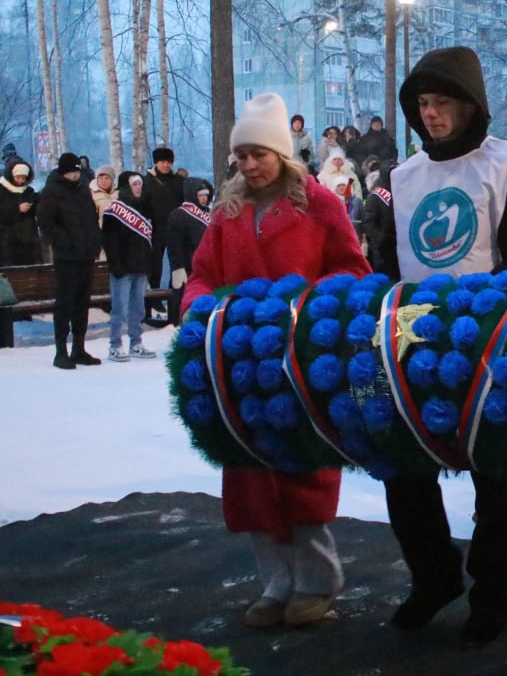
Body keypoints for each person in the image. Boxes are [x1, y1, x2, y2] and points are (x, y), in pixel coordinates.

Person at [369, 46, 507, 647]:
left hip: (489, 347)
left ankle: (493, 592)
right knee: (404, 469)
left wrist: (487, 321)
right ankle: (435, 576)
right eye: (421, 104)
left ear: (470, 105)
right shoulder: (401, 178)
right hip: (416, 345)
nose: (431, 114)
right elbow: (389, 259)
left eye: (441, 101)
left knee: (495, 483)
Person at [184, 92, 371, 628]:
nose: (248, 165)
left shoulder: (320, 205)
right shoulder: (227, 211)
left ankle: (317, 580)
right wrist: (200, 307)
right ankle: (275, 581)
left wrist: (304, 307)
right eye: (240, 156)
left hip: (298, 364)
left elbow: (352, 270)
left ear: (282, 154)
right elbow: (201, 273)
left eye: (258, 154)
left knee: (300, 470)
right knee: (248, 474)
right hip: (240, 363)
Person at [37, 153, 104, 370]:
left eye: (77, 171)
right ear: (64, 172)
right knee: (65, 303)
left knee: (82, 302)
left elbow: (91, 218)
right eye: (72, 172)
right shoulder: (52, 191)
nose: (75, 175)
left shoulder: (83, 188)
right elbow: (46, 223)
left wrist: (95, 241)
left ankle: (79, 348)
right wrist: (63, 242)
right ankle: (60, 351)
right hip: (66, 257)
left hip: (85, 254)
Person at [101, 172, 156, 362]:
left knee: (138, 309)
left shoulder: (143, 208)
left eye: (140, 184)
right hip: (122, 269)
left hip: (140, 267)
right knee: (120, 309)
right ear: (126, 186)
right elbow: (109, 240)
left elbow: (147, 241)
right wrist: (115, 265)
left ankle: (136, 343)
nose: (139, 187)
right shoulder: (114, 210)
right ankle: (115, 346)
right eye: (135, 184)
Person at [164, 176, 213, 327]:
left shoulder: (209, 214)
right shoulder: (179, 215)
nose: (204, 199)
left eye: (206, 195)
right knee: (183, 297)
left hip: (206, 265)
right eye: (200, 195)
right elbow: (173, 244)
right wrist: (177, 267)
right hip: (186, 265)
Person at [142, 148, 183, 325]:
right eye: (162, 162)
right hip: (155, 227)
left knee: (176, 264)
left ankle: (174, 295)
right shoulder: (147, 181)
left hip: (175, 228)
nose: (166, 165)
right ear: (156, 162)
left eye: (168, 162)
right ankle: (154, 297)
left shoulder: (178, 181)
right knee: (154, 264)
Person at [0, 159, 42, 266]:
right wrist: (17, 209)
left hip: (28, 242)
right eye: (18, 177)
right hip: (7, 242)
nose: (21, 181)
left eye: (23, 178)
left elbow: (37, 210)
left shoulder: (28, 191)